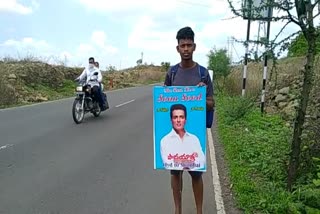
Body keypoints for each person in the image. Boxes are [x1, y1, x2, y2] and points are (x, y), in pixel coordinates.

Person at [163, 26, 214, 214]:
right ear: (177, 48)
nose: (185, 49)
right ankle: (178, 210)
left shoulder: (202, 73)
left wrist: (201, 95)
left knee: (195, 174)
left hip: (195, 134)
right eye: (182, 45)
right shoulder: (172, 73)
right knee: (175, 172)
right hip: (174, 138)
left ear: (194, 47)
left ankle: (199, 211)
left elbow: (211, 103)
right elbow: (164, 97)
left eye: (189, 45)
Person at [160, 104, 206, 171]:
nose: (178, 120)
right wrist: (188, 162)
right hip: (177, 170)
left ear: (185, 119)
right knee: (175, 174)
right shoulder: (164, 141)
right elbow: (167, 164)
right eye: (175, 117)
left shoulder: (194, 139)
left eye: (181, 117)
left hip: (194, 170)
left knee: (197, 176)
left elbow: (202, 160)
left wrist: (181, 162)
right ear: (171, 120)